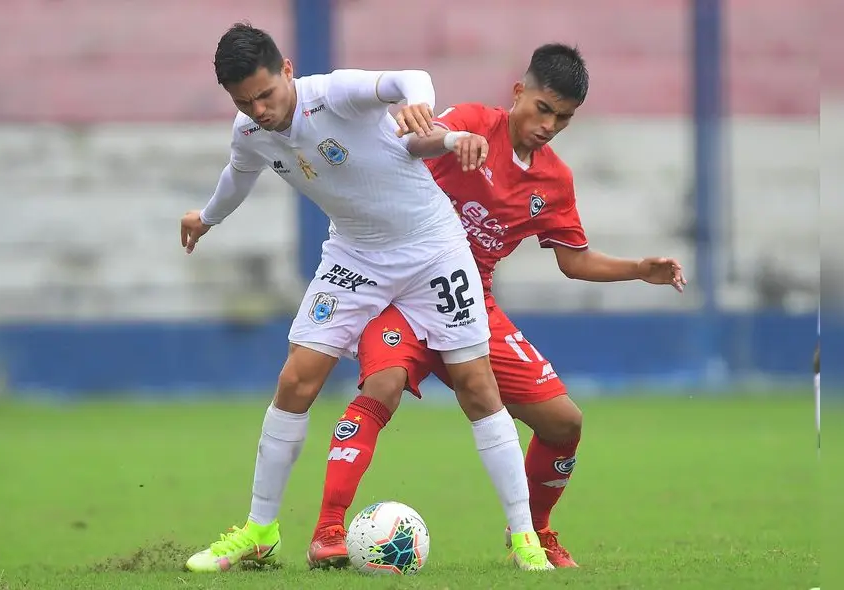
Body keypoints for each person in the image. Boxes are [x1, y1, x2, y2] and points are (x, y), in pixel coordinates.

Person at [180, 23, 552, 572]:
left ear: (287, 71)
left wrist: (419, 108)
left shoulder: (332, 94)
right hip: (355, 256)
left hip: (433, 250)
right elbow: (239, 173)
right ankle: (260, 532)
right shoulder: (250, 131)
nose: (259, 109)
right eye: (244, 101)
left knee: (476, 386)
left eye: (266, 94)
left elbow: (410, 78)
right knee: (295, 380)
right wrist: (206, 217)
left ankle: (526, 540)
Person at [306, 43, 687, 569]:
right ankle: (328, 529)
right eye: (543, 109)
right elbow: (410, 140)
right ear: (518, 94)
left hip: (467, 304)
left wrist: (639, 270)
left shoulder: (553, 180)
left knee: (563, 423)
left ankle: (534, 531)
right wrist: (442, 137)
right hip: (400, 288)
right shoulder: (469, 123)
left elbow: (574, 262)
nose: (550, 125)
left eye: (564, 117)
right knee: (384, 384)